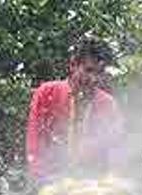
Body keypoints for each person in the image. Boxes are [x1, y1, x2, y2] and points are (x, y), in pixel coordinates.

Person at [25, 38, 124, 181]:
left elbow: (116, 150)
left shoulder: (108, 105)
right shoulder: (46, 93)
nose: (94, 79)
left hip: (93, 186)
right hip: (49, 182)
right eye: (89, 70)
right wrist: (41, 178)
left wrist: (112, 178)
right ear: (73, 65)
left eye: (99, 72)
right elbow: (34, 144)